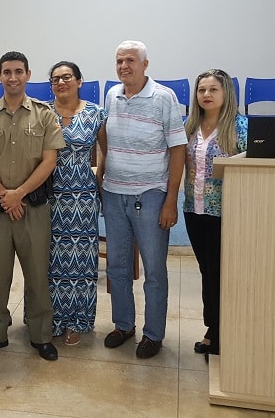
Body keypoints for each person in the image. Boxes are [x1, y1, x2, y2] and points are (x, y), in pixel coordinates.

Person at [0, 51, 65, 361]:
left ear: (28, 75)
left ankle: (40, 335)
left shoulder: (44, 115)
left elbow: (49, 161)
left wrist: (18, 194)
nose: (13, 77)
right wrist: (5, 195)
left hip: (33, 208)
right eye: (7, 72)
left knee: (37, 274)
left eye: (18, 71)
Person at [97, 40, 187, 359]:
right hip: (114, 194)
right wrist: (102, 176)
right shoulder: (112, 95)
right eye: (119, 61)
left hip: (150, 196)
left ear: (145, 64)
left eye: (131, 60)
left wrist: (170, 199)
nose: (124, 66)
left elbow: (178, 149)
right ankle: (124, 325)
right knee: (118, 267)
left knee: (154, 270)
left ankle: (153, 334)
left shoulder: (163, 97)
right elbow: (107, 142)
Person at [183, 69, 247, 357]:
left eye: (213, 90)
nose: (206, 95)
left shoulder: (242, 128)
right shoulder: (189, 126)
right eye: (201, 90)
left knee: (223, 273)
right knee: (207, 272)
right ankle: (214, 328)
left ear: (226, 93)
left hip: (227, 213)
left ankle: (224, 332)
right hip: (194, 210)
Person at [46, 61, 107, 346]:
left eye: (67, 77)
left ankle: (77, 321)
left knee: (81, 260)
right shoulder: (42, 112)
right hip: (48, 194)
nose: (61, 83)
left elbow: (106, 152)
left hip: (83, 196)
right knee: (48, 259)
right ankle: (49, 318)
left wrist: (100, 183)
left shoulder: (96, 113)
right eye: (55, 79)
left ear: (79, 81)